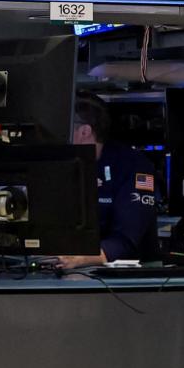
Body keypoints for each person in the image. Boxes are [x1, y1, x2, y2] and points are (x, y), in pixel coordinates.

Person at [57, 97, 161, 270]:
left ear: (84, 131)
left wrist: (80, 259)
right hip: (65, 267)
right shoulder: (58, 165)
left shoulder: (133, 165)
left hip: (130, 279)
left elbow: (127, 239)